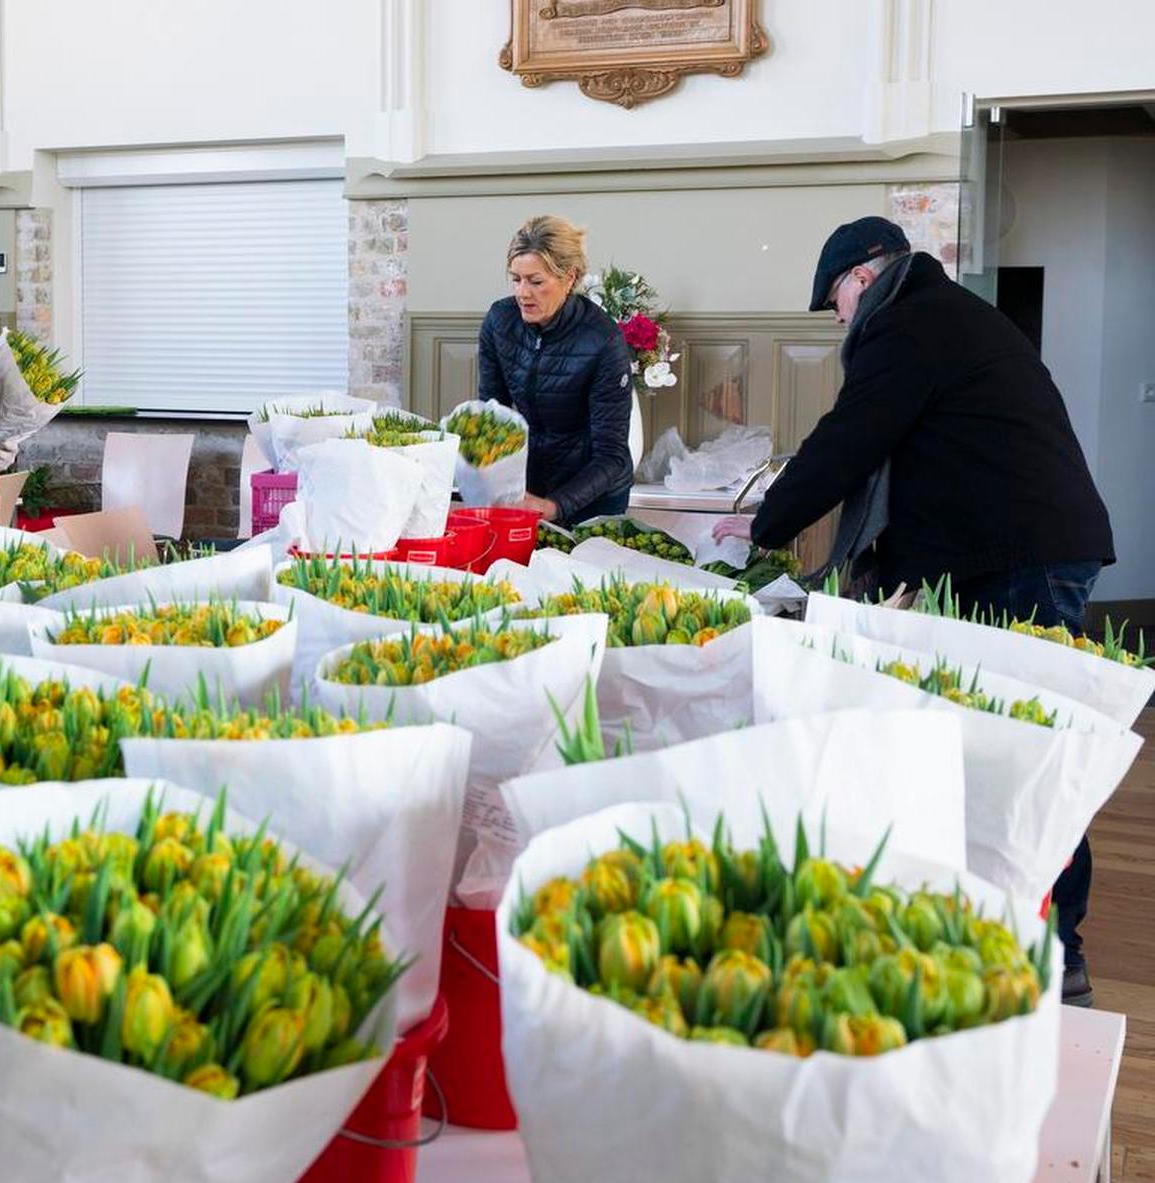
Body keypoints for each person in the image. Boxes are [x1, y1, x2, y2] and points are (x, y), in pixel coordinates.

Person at [713, 214, 1115, 1005]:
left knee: (1027, 756)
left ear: (863, 278)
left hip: (1018, 559)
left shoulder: (909, 320)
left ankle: (1053, 948)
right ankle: (1016, 935)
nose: (837, 321)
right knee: (1014, 746)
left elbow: (850, 438)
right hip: (1022, 547)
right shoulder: (943, 311)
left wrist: (762, 526)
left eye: (833, 300)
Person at [477, 215, 633, 527]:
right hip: (528, 486)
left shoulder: (603, 340)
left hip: (593, 496)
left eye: (536, 282)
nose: (522, 293)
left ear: (570, 278)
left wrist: (553, 506)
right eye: (516, 279)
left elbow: (612, 457)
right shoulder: (499, 321)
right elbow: (491, 414)